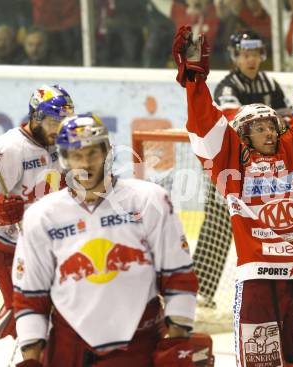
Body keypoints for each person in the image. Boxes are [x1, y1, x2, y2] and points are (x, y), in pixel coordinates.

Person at [173, 19, 293, 366]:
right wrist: (195, 81)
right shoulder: (232, 166)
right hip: (260, 276)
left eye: (272, 126)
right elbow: (207, 126)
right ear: (243, 136)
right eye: (259, 128)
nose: (269, 132)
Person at [12, 114, 200, 367]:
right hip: (70, 348)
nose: (85, 163)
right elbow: (31, 295)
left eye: (92, 153)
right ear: (64, 159)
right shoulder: (41, 216)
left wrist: (178, 341)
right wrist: (31, 359)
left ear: (107, 152)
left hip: (140, 343)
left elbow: (178, 274)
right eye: (77, 155)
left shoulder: (148, 200)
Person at [194, 29, 291, 307]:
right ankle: (203, 289)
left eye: (255, 54)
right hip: (229, 168)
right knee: (219, 225)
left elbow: (286, 123)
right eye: (245, 54)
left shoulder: (270, 83)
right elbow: (234, 128)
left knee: (270, 223)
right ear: (235, 56)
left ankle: (276, 282)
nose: (251, 59)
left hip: (265, 172)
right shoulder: (227, 87)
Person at [0, 84, 74, 339]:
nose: (61, 127)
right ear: (36, 117)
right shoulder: (7, 150)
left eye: (65, 120)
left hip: (47, 245)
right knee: (29, 323)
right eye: (55, 121)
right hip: (7, 248)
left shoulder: (64, 142)